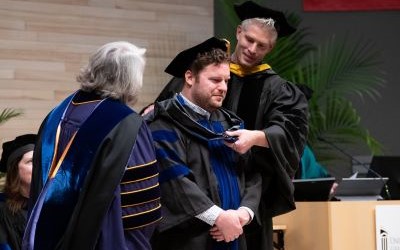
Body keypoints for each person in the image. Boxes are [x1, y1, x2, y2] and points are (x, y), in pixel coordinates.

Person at [143, 2, 308, 250]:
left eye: (261, 45)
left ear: (271, 48)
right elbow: (165, 117)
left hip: (245, 196)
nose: (252, 49)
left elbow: (293, 131)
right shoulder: (200, 68)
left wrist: (255, 137)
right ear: (239, 32)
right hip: (193, 200)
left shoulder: (277, 89)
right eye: (249, 39)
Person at [22, 41, 161, 250]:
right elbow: (141, 205)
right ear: (128, 78)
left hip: (42, 230)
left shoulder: (58, 113)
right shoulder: (127, 124)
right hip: (102, 237)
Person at [146, 37, 262, 250]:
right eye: (215, 80)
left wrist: (243, 214)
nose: (223, 87)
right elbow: (175, 183)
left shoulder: (231, 123)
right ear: (190, 77)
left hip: (234, 235)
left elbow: (252, 174)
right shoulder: (163, 123)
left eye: (226, 81)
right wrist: (219, 217)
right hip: (190, 240)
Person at [0, 134, 36, 250]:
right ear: (15, 169)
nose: (39, 165)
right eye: (31, 161)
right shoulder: (3, 210)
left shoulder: (52, 206)